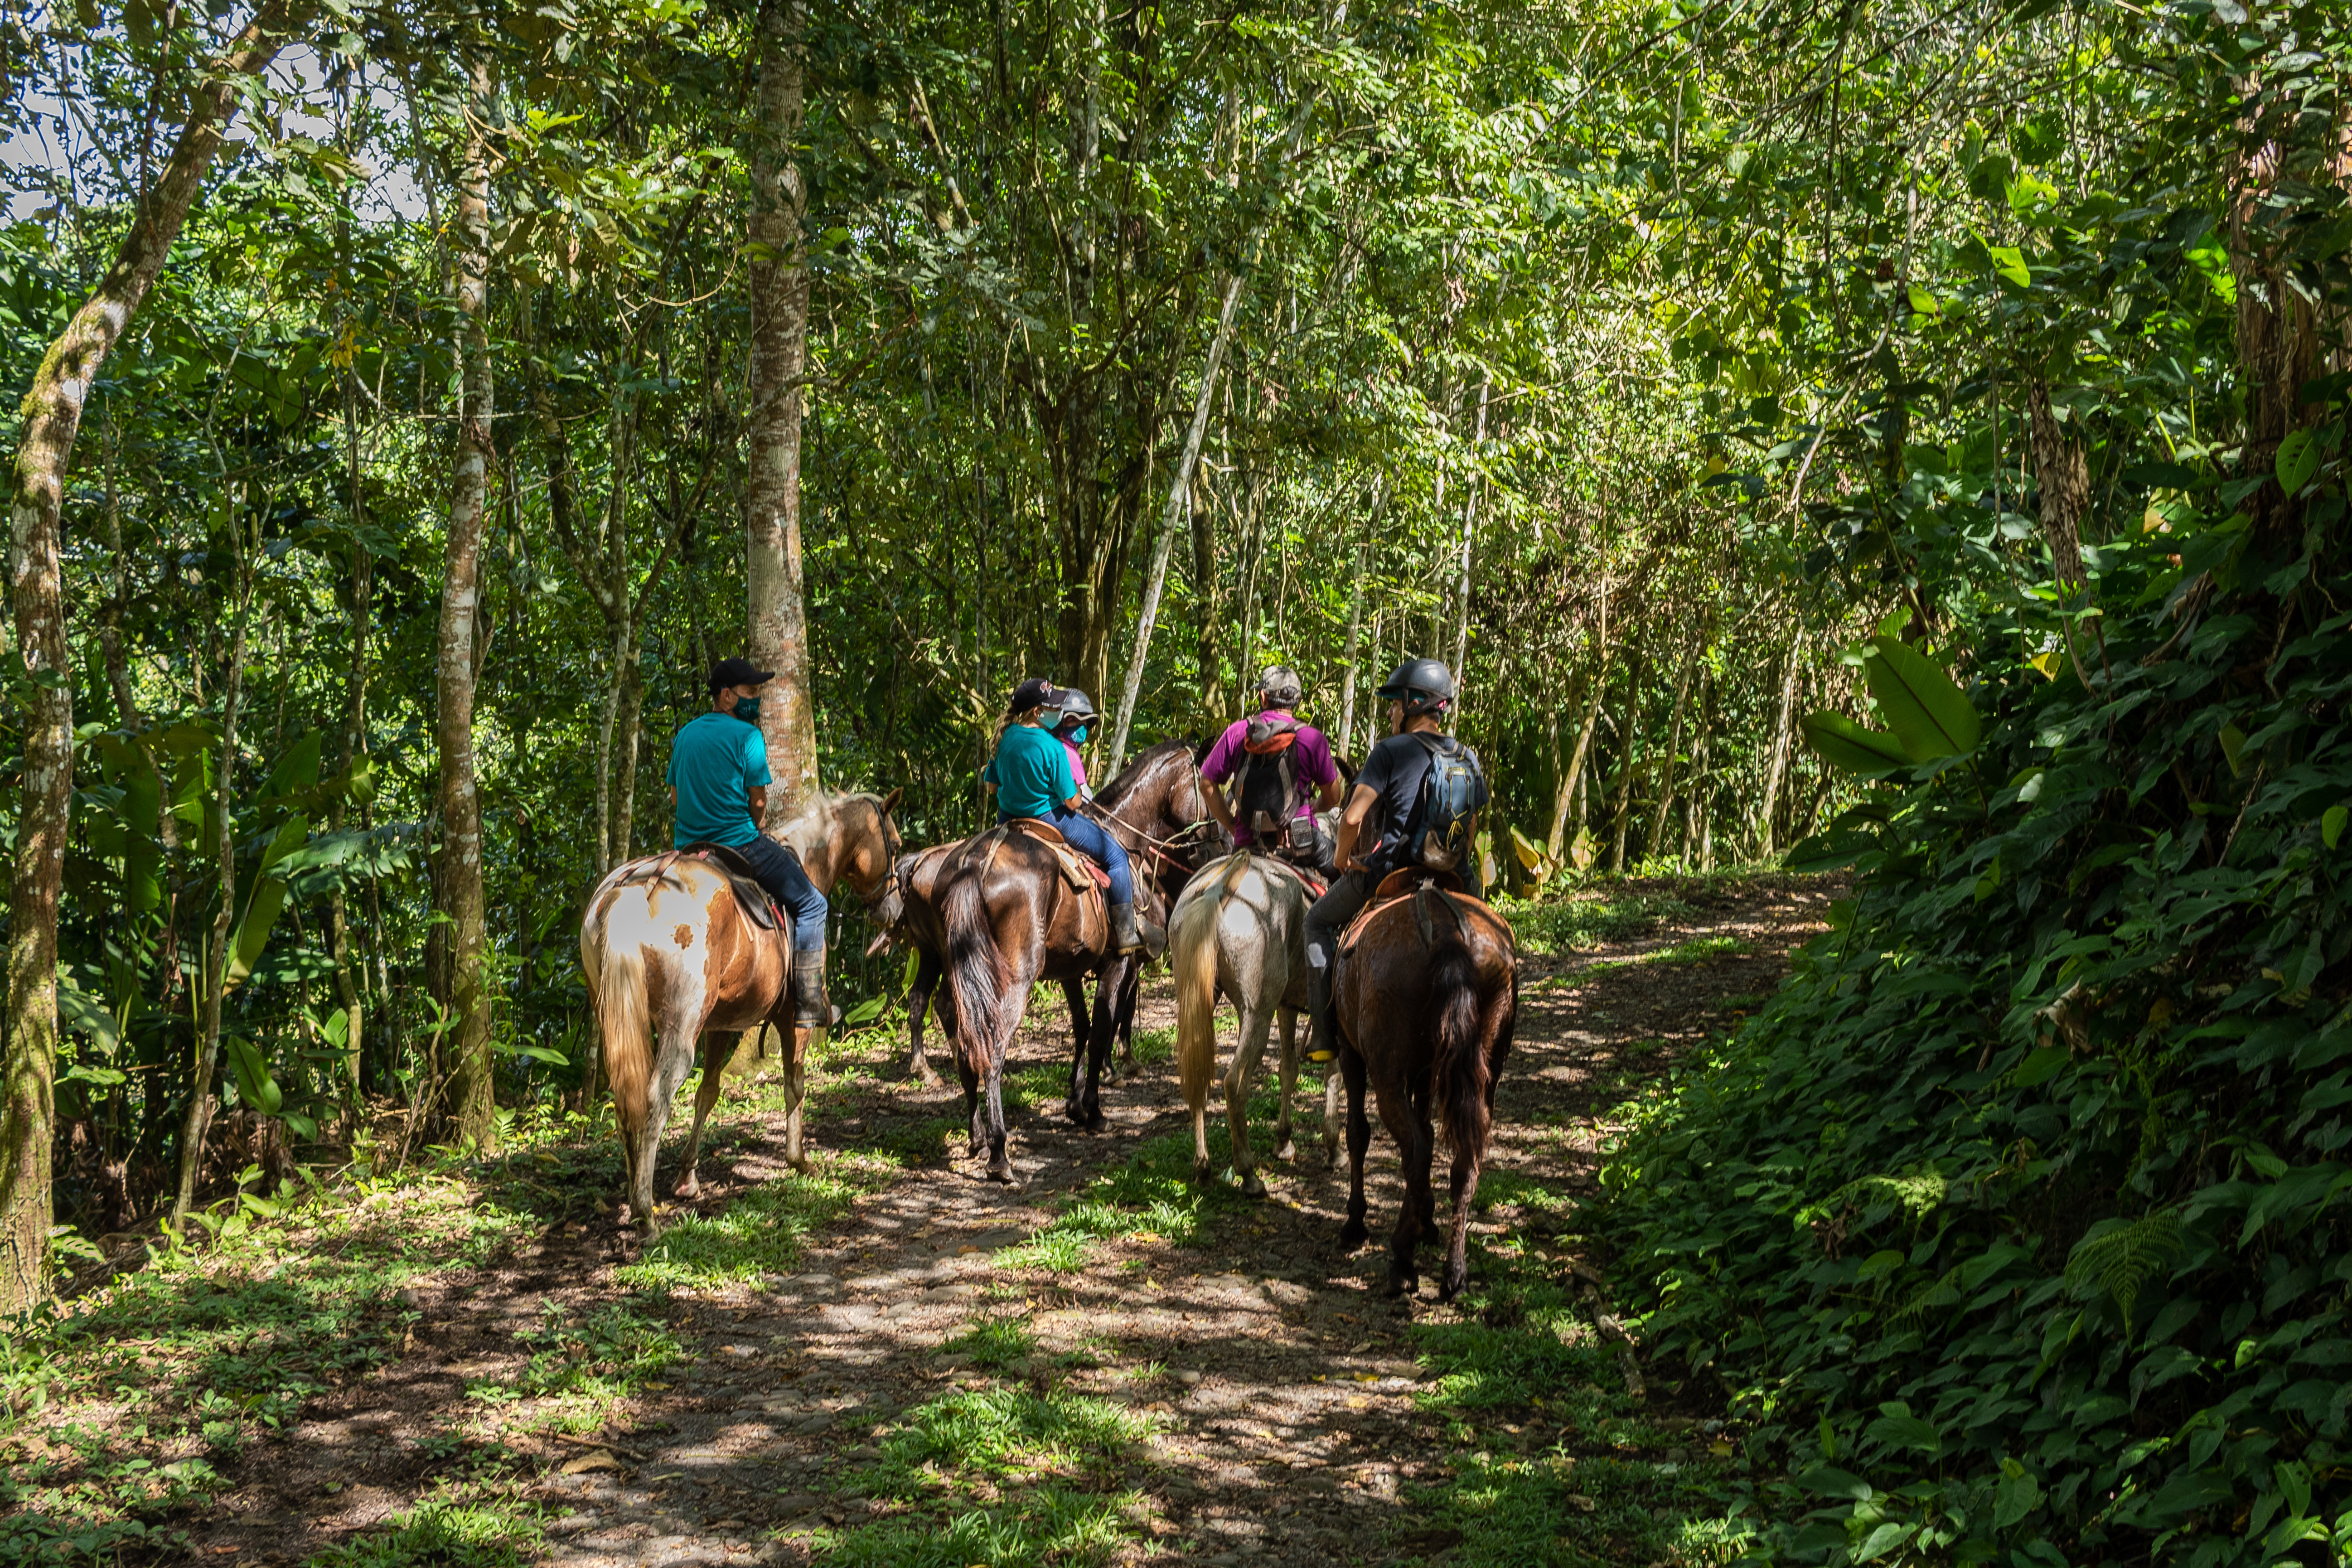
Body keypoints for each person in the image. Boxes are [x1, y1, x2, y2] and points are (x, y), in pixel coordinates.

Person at [1302, 657, 1489, 1062]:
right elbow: (1471, 825)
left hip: (1392, 873)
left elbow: (1352, 816)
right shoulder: (1467, 756)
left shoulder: (1389, 752)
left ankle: (1322, 1036)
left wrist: (1343, 856)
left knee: (1315, 922)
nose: (1390, 711)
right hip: (1454, 876)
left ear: (1414, 703)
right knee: (1486, 932)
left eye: (1395, 702)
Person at [667, 656, 834, 1027]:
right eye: (750, 692)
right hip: (739, 844)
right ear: (726, 696)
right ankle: (809, 1002)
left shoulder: (685, 735)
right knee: (813, 905)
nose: (756, 700)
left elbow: (677, 799)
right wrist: (755, 824)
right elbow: (758, 802)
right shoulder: (748, 737)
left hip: (688, 852)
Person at [982, 678, 1153, 955]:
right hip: (1049, 818)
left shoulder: (1004, 739)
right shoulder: (1052, 748)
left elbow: (992, 787)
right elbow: (1073, 802)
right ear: (1037, 712)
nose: (1058, 712)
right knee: (1116, 857)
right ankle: (1125, 935)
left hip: (1007, 820)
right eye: (1053, 707)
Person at [1198, 665, 1342, 862]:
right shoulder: (1312, 738)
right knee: (1340, 871)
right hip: (1299, 841)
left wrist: (1233, 826)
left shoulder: (1237, 732)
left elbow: (1206, 785)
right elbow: (1333, 797)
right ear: (1298, 701)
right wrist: (1313, 807)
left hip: (1246, 843)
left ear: (1263, 697)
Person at [1052, 688, 1098, 803]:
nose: (1081, 728)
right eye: (1074, 721)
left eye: (1084, 723)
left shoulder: (1048, 745)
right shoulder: (1067, 753)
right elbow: (1085, 798)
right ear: (1059, 723)